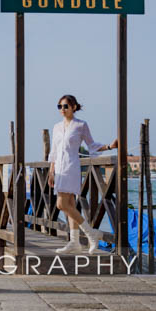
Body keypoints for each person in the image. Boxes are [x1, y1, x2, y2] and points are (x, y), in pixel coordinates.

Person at [47, 94, 118, 254]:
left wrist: (109, 146)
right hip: (58, 168)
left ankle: (91, 234)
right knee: (70, 205)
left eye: (65, 106)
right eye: (60, 106)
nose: (62, 109)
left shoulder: (81, 125)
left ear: (73, 107)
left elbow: (92, 145)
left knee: (61, 204)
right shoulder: (56, 127)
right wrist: (51, 171)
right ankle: (74, 243)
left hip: (71, 167)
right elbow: (54, 151)